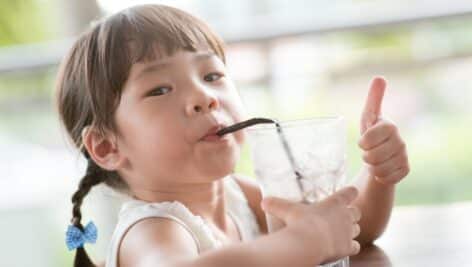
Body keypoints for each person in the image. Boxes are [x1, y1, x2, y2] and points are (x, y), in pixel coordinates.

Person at [56, 4, 409, 267]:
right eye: (161, 89)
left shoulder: (242, 196)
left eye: (211, 76)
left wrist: (377, 174)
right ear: (106, 146)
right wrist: (301, 244)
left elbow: (346, 230)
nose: (204, 97)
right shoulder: (152, 228)